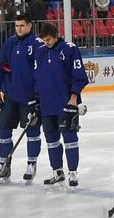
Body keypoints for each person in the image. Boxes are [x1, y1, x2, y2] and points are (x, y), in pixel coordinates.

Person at [0, 15, 43, 183]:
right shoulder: (10, 43)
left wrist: (38, 95)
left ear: (30, 26)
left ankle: (31, 164)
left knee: (32, 131)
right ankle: (4, 166)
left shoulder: (37, 45)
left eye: (22, 25)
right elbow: (0, 67)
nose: (18, 28)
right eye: (16, 25)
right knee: (3, 130)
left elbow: (41, 73)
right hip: (10, 96)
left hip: (29, 98)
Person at [32, 20, 88, 187]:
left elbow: (80, 76)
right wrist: (37, 98)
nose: (46, 43)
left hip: (66, 103)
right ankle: (57, 172)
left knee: (70, 137)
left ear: (56, 37)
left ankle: (72, 172)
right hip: (47, 104)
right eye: (43, 40)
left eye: (48, 40)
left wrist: (74, 97)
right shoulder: (40, 52)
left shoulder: (69, 49)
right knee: (51, 139)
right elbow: (37, 78)